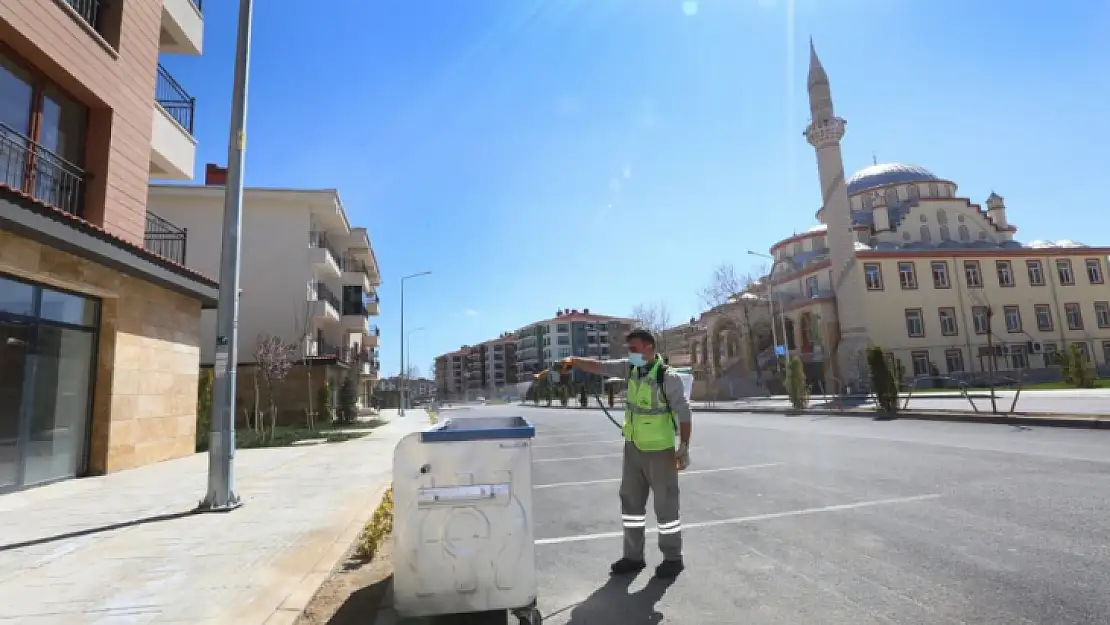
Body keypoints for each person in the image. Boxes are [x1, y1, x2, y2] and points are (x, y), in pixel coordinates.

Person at [563, 327, 692, 579]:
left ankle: (673, 558)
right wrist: (574, 361)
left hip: (660, 451)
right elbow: (600, 367)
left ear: (649, 348)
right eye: (629, 350)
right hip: (633, 448)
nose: (630, 354)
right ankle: (633, 557)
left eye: (633, 349)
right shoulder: (629, 368)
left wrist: (684, 447)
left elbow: (685, 414)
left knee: (666, 506)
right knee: (631, 504)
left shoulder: (669, 378)